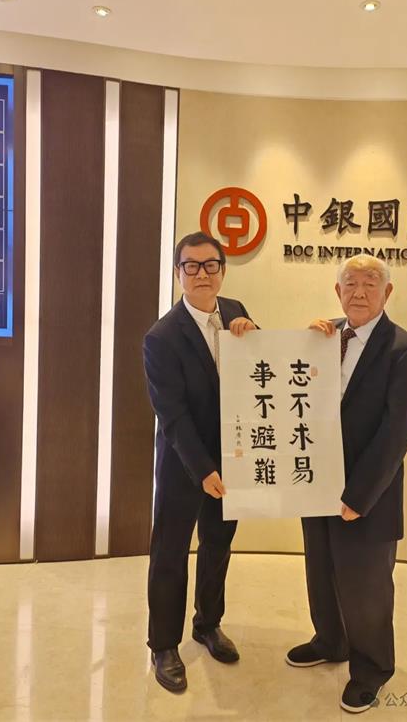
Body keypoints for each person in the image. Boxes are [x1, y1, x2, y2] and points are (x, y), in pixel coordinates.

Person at [286, 254, 407, 714]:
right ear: (338, 291)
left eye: (370, 283)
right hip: (316, 485)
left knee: (366, 588)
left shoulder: (405, 350)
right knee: (321, 571)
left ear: (388, 293)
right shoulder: (322, 336)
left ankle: (371, 670)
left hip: (369, 494)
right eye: (350, 284)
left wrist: (359, 496)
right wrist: (302, 345)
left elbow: (396, 433)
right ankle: (330, 640)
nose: (359, 292)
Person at [143, 231, 256, 692]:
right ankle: (163, 645)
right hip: (184, 463)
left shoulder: (236, 310)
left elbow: (257, 374)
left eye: (210, 265)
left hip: (233, 457)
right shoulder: (161, 337)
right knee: (170, 553)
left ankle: (208, 623)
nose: (201, 274)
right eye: (191, 266)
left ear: (223, 270)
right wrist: (203, 469)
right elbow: (172, 415)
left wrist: (254, 336)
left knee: (218, 544)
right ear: (178, 274)